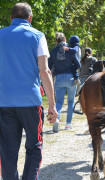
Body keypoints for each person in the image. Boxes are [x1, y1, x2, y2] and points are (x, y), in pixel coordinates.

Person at [0, 3, 58, 179]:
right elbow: (44, 71)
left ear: (11, 18)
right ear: (30, 19)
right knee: (34, 146)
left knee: (7, 149)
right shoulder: (38, 36)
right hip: (30, 103)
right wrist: (52, 105)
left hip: (4, 103)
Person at [48, 32, 81, 132]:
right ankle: (68, 124)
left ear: (56, 41)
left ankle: (56, 120)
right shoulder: (70, 51)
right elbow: (78, 65)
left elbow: (49, 67)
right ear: (65, 39)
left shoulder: (53, 52)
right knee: (70, 102)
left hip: (59, 79)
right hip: (71, 79)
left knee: (59, 102)